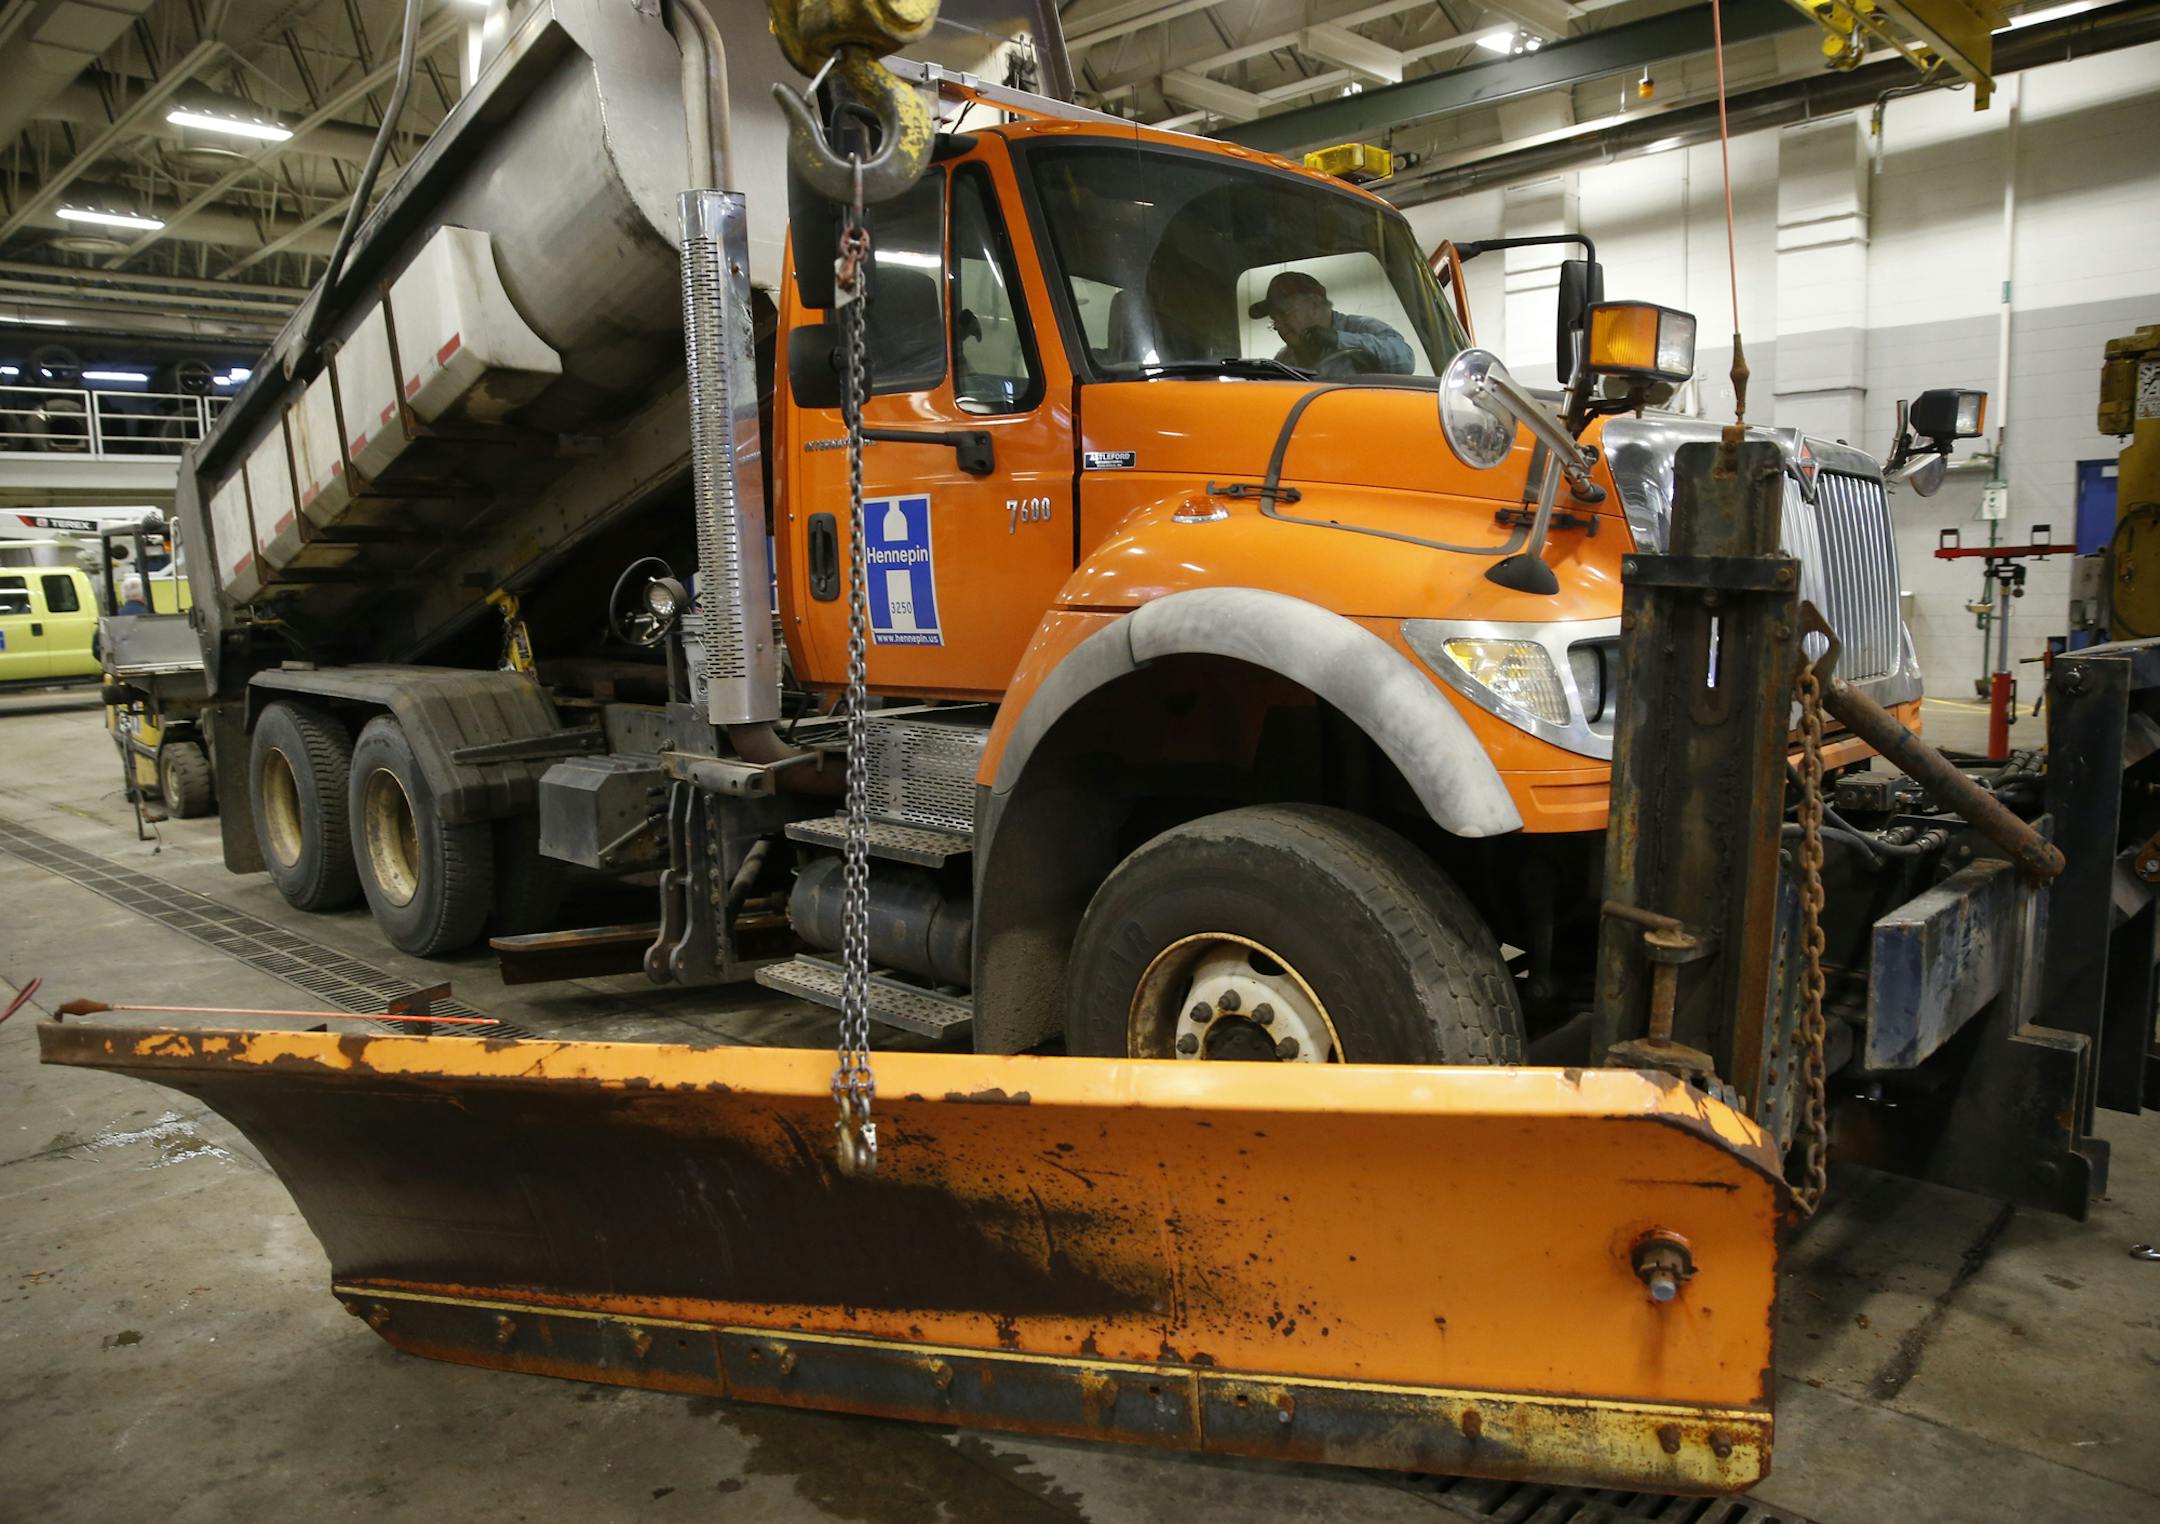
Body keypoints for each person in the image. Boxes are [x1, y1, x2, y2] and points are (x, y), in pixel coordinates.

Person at [1250, 270, 1415, 377]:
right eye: (1273, 320)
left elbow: (1405, 362)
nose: (1278, 325)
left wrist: (1339, 340)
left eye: (1284, 314)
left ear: (1314, 303)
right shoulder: (1284, 360)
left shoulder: (1361, 328)